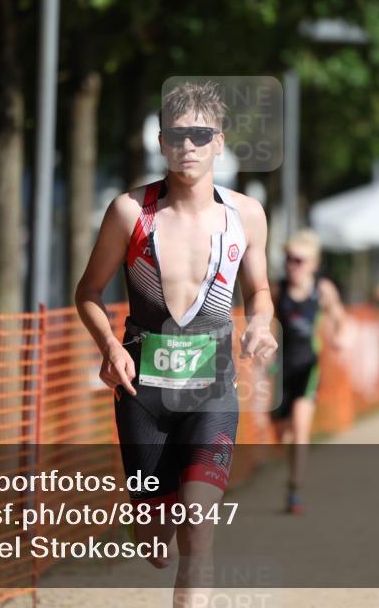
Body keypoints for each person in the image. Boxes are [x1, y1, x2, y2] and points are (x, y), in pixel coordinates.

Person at [74, 81, 277, 605]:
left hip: (212, 392)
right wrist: (109, 347)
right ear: (162, 144)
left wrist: (259, 324)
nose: (188, 145)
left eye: (199, 134)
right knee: (154, 539)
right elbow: (88, 292)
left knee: (198, 526)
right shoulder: (129, 212)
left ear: (219, 142)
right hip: (143, 392)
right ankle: (147, 522)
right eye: (177, 135)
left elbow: (259, 290)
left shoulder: (245, 215)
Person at [270, 229, 344, 514]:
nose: (292, 265)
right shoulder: (277, 290)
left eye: (299, 260)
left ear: (313, 264)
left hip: (308, 367)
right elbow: (265, 321)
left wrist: (339, 336)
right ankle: (292, 473)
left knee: (300, 429)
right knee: (282, 434)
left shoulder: (322, 290)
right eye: (289, 259)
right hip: (280, 370)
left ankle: (295, 490)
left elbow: (340, 318)